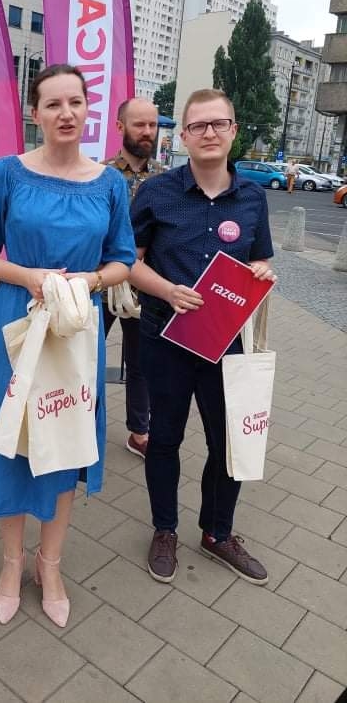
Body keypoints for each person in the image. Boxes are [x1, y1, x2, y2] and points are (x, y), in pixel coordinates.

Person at [0, 64, 135, 628]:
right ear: (35, 113)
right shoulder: (7, 173)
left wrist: (91, 280)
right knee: (14, 442)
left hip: (76, 328)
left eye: (75, 102)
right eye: (53, 104)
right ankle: (12, 562)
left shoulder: (109, 183)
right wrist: (30, 276)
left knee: (66, 437)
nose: (66, 113)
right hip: (16, 320)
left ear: (89, 109)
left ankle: (50, 563)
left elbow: (123, 259)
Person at [130, 88, 277, 586]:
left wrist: (261, 271)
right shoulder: (156, 192)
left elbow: (259, 259)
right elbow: (128, 262)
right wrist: (167, 290)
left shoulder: (253, 197)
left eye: (218, 124)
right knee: (164, 439)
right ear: (184, 137)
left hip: (225, 343)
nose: (209, 133)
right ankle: (164, 529)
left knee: (228, 442)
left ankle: (217, 532)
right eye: (198, 126)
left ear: (233, 130)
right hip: (164, 338)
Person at [102, 97, 163, 458]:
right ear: (120, 127)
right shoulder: (100, 174)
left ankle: (139, 432)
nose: (147, 132)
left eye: (152, 125)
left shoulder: (166, 180)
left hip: (145, 286)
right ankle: (81, 420)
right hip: (102, 281)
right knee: (86, 355)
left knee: (142, 364)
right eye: (139, 124)